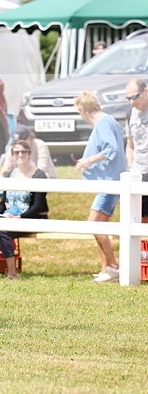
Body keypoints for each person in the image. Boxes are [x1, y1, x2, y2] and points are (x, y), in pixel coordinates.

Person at [73, 91, 127, 283]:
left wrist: (89, 160)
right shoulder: (110, 120)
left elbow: (110, 148)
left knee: (93, 223)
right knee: (100, 225)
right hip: (111, 181)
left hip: (109, 182)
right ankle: (106, 269)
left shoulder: (102, 122)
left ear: (82, 109)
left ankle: (113, 267)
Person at [0, 139, 49, 279]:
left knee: (2, 229)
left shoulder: (39, 175)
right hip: (10, 215)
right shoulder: (12, 173)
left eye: (23, 152)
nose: (20, 155)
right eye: (16, 152)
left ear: (29, 154)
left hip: (32, 217)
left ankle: (12, 273)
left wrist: (20, 217)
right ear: (12, 155)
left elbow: (38, 206)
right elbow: (3, 202)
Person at [124, 77, 148, 223]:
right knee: (139, 217)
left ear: (146, 91)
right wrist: (131, 167)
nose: (132, 102)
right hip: (138, 172)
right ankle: (142, 247)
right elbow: (130, 145)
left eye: (135, 97)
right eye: (128, 98)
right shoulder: (130, 114)